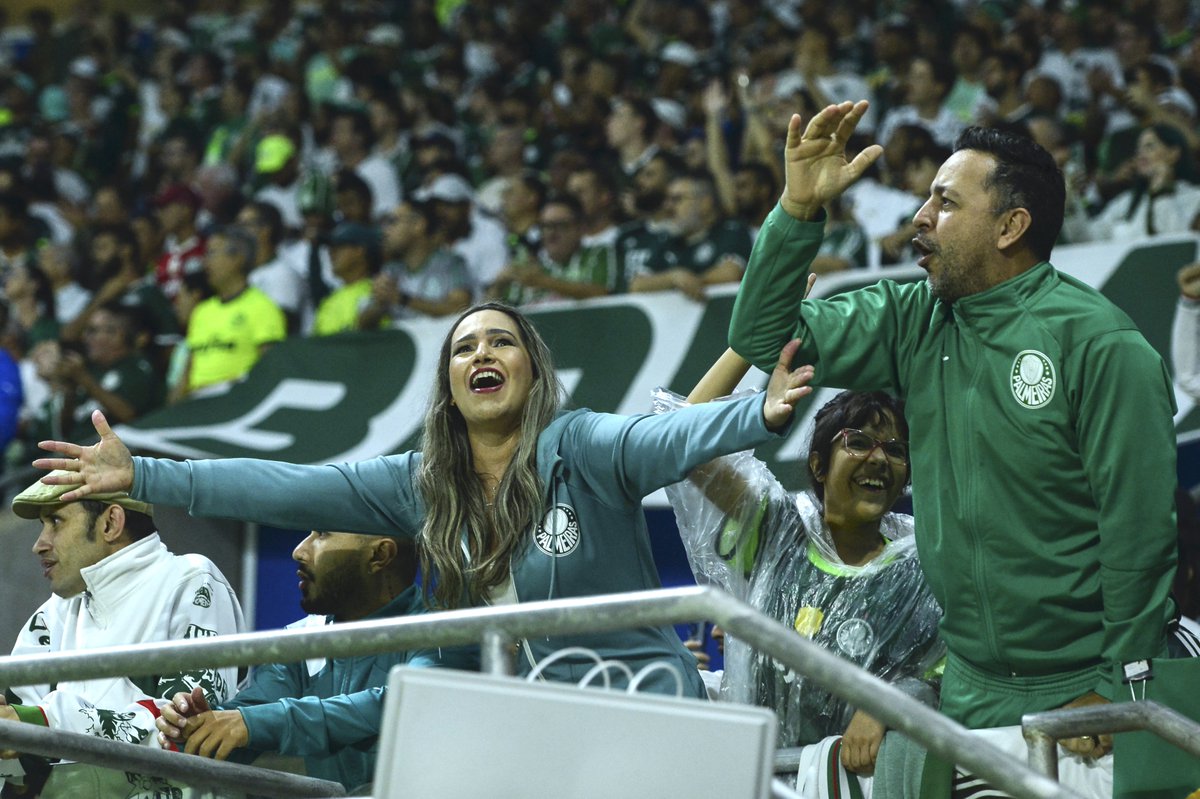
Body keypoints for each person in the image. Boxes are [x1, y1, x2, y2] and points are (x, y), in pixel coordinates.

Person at [33, 301, 814, 699]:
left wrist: (760, 411)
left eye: (501, 341)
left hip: (652, 713)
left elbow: (664, 441)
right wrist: (144, 476)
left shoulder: (580, 443)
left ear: (532, 371)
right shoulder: (420, 485)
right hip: (538, 732)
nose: (482, 352)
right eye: (465, 345)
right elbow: (284, 485)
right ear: (448, 383)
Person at [727, 101, 1179, 765]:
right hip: (968, 689)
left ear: (1010, 226)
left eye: (944, 202)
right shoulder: (915, 317)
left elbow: (1139, 533)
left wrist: (1115, 688)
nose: (919, 218)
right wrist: (797, 210)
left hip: (1085, 694)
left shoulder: (1100, 343)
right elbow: (761, 336)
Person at [659, 346, 943, 778]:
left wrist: (889, 703)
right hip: (754, 780)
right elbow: (680, 434)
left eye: (895, 450)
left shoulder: (921, 566)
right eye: (859, 442)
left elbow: (952, 671)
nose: (879, 458)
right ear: (818, 464)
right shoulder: (774, 531)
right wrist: (747, 346)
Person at [155, 530, 469, 793]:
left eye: (322, 534)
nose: (299, 550)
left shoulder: (448, 634)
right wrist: (197, 725)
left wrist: (249, 724)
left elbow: (397, 704)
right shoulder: (302, 639)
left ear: (380, 556)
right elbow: (251, 713)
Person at [3, 470, 244, 798]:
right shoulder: (53, 612)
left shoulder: (190, 579)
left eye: (56, 521)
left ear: (110, 523)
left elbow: (184, 729)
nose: (39, 545)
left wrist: (45, 723)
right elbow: (16, 736)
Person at [184, 225, 286, 395]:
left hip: (236, 403)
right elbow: (187, 373)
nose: (205, 261)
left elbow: (271, 371)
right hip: (195, 406)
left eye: (212, 253)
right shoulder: (202, 311)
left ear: (237, 259)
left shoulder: (263, 308)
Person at [1062, 123, 1200, 242]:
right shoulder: (1127, 201)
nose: (1140, 155)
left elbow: (1178, 243)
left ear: (1173, 153)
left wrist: (1161, 192)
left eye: (1149, 147)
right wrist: (1070, 204)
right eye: (1138, 149)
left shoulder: (1195, 197)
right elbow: (1087, 238)